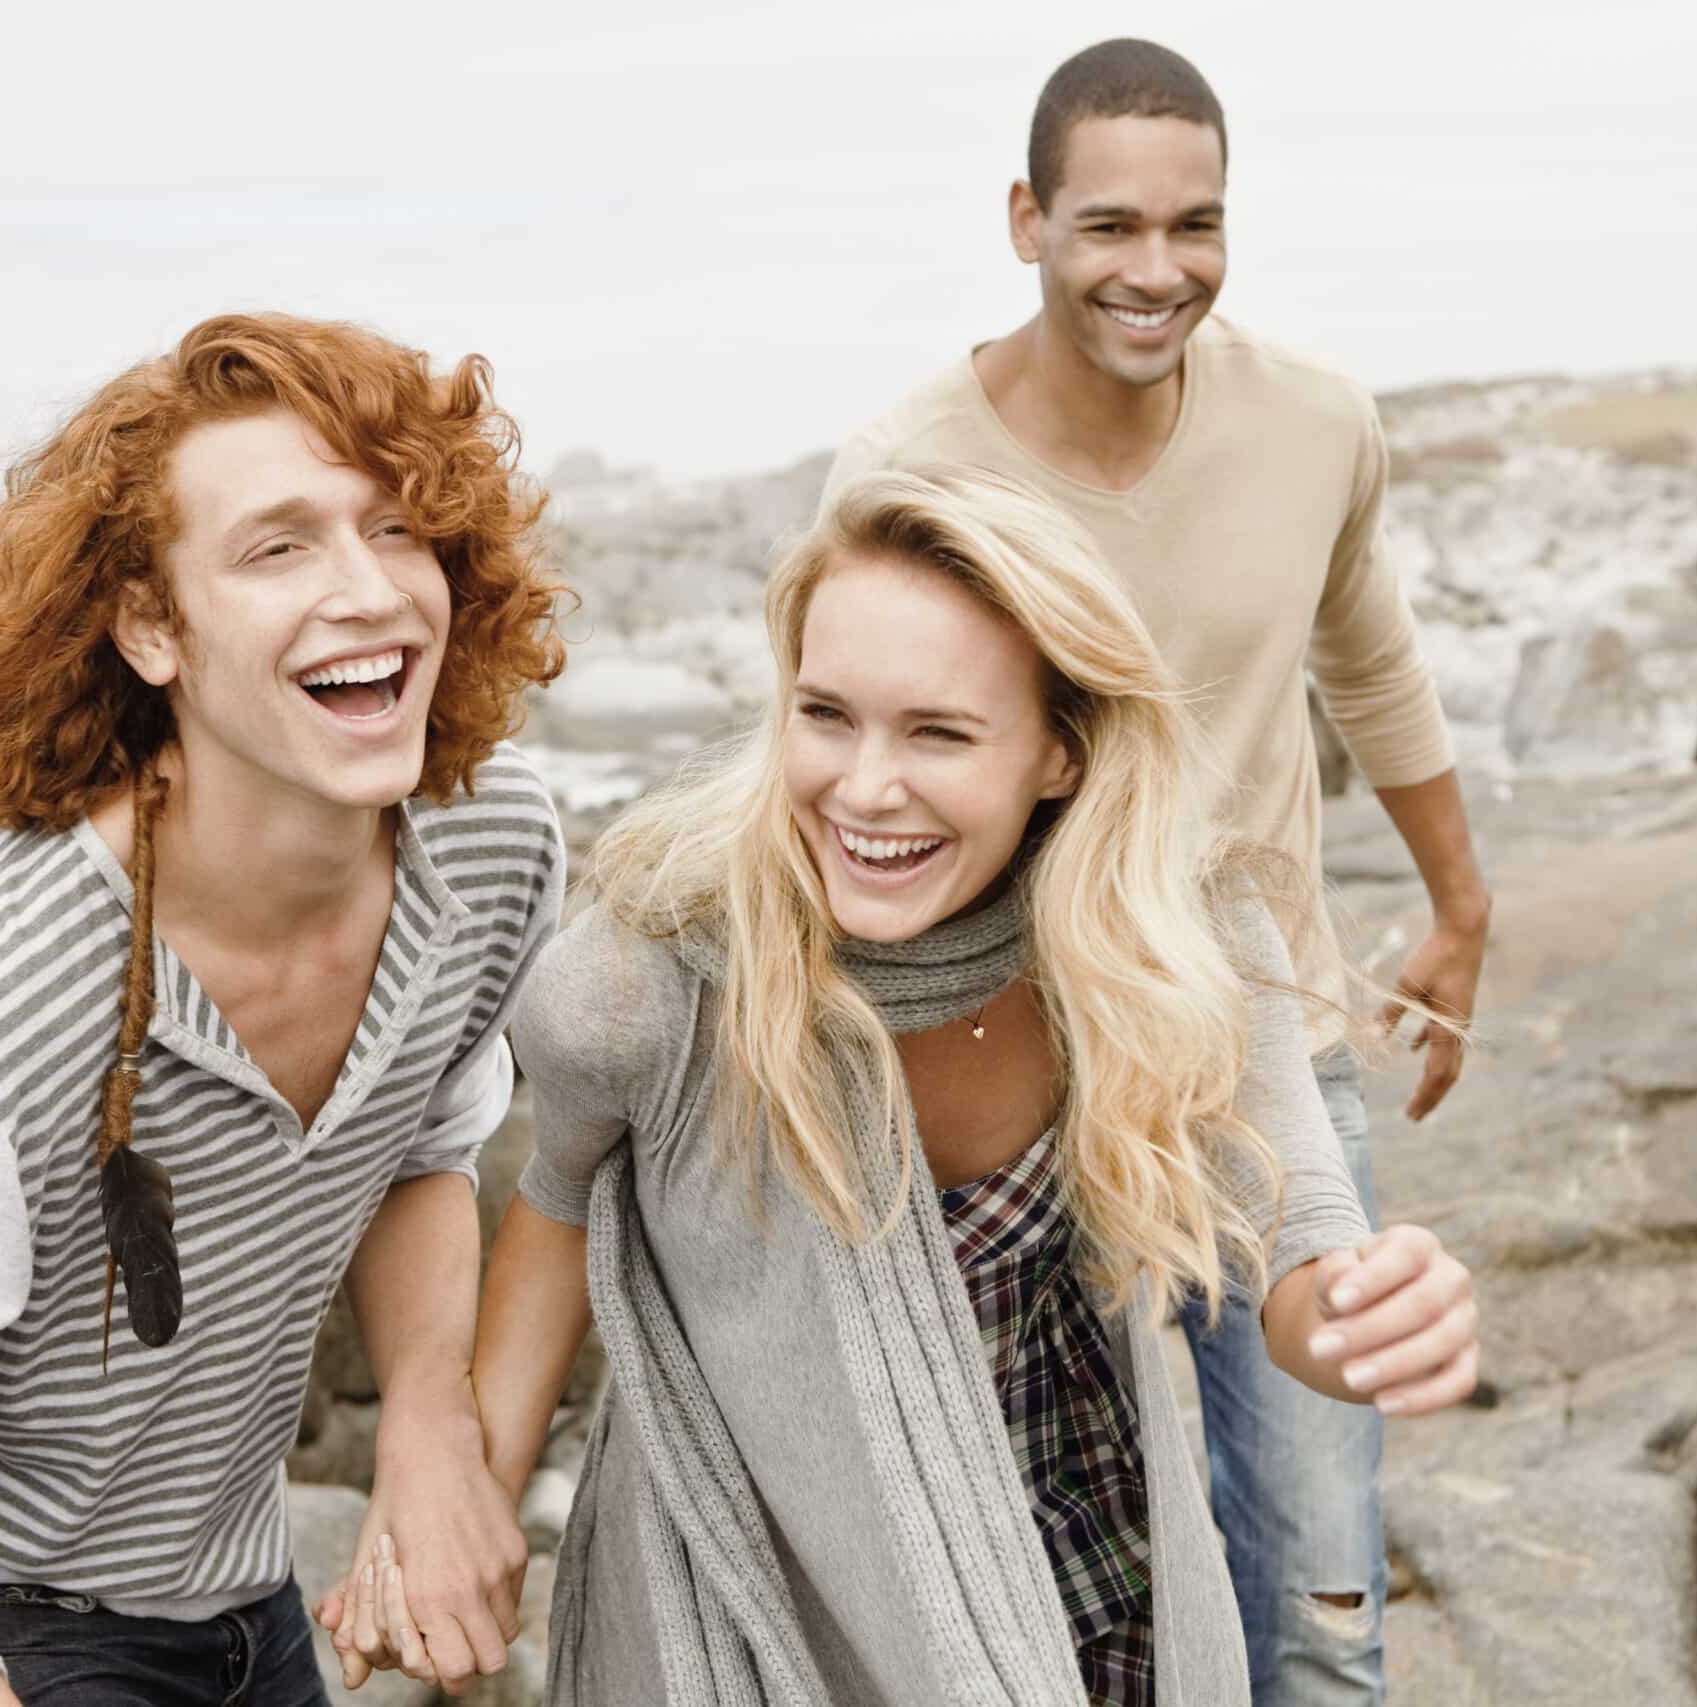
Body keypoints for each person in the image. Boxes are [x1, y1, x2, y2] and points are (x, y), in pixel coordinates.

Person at [336, 465, 1475, 1704]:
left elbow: (1303, 1250)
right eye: (826, 715)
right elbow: (558, 1207)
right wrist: (460, 1517)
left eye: (938, 732)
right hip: (764, 1605)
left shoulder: (1173, 937)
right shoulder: (654, 969)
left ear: (1059, 752)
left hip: (1089, 1570)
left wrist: (1371, 1318)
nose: (865, 788)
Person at [0, 312, 570, 1706]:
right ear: (151, 626)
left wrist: (429, 1414)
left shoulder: (492, 844)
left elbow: (424, 1138)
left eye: (400, 528)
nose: (367, 588)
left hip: (254, 1604)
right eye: (279, 545)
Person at [819, 39, 1496, 1704]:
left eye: (1195, 225)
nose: (1156, 270)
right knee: (1060, 1595)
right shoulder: (911, 470)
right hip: (1021, 1092)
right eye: (1110, 225)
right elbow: (856, 782)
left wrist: (1462, 907)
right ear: (1025, 218)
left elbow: (1372, 664)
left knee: (1320, 1601)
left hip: (1267, 1055)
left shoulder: (1316, 423)